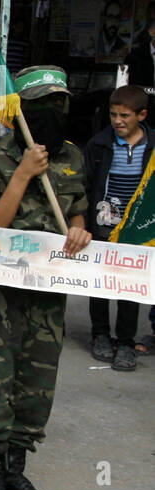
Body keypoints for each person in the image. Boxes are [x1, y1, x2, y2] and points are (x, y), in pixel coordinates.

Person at [0, 65, 90, 490]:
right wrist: (22, 174)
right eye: (42, 108)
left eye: (59, 105)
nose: (53, 115)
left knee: (37, 381)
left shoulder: (73, 156)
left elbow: (77, 212)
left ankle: (17, 468)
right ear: (22, 112)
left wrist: (79, 231)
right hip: (2, 290)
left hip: (49, 291)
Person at [83, 85, 151, 371]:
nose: (118, 121)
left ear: (142, 115)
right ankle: (100, 334)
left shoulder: (152, 147)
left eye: (125, 115)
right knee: (99, 281)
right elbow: (87, 183)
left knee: (130, 285)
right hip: (103, 223)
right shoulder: (99, 145)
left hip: (136, 227)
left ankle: (125, 341)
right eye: (113, 115)